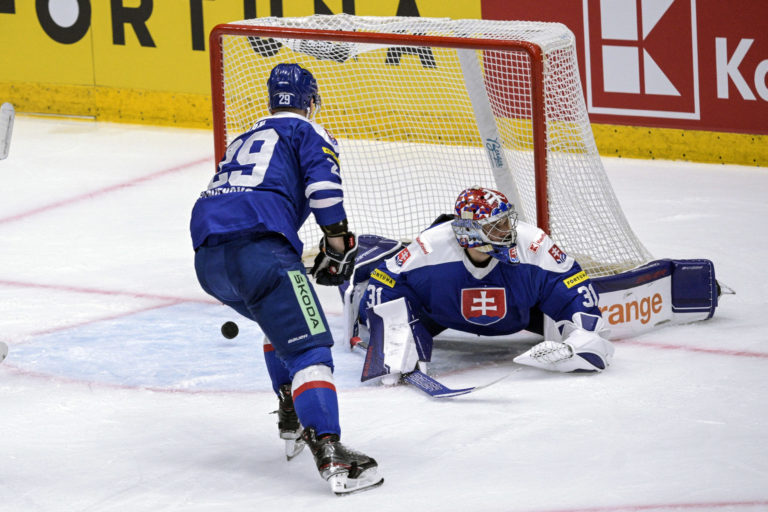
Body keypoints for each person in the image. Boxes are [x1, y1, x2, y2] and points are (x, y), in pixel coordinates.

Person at [190, 63, 382, 495]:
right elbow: (324, 190)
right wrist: (337, 243)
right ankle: (330, 450)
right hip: (260, 252)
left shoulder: (244, 136)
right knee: (310, 345)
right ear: (310, 101)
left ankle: (290, 411)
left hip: (208, 260)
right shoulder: (307, 131)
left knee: (278, 320)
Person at [347, 187, 615, 382]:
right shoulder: (430, 246)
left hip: (522, 313)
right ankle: (373, 251)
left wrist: (580, 338)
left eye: (506, 222)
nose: (508, 231)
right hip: (439, 313)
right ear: (470, 232)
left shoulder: (533, 244)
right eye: (496, 226)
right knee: (372, 312)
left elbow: (571, 284)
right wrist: (394, 340)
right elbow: (386, 281)